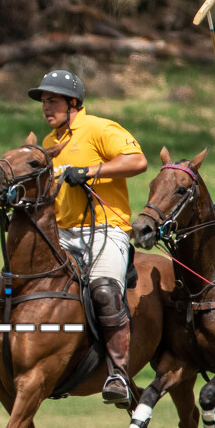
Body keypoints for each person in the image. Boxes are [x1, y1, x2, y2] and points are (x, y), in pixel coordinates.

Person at [30, 68, 148, 407]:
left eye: (53, 100)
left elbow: (138, 161)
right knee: (21, 281)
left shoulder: (99, 128)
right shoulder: (49, 143)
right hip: (63, 233)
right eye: (43, 101)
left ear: (73, 103)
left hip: (105, 228)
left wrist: (90, 171)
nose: (46, 107)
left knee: (105, 290)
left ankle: (118, 374)